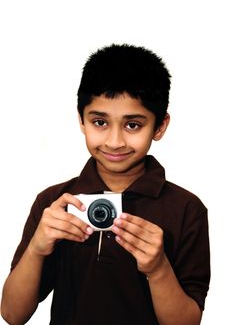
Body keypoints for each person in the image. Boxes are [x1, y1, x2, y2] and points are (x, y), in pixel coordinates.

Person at [1, 44, 210, 325]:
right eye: (100, 121)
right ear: (81, 120)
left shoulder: (187, 209)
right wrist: (38, 247)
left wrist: (159, 269)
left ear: (160, 126)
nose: (114, 141)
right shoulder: (55, 203)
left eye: (133, 125)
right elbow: (12, 314)